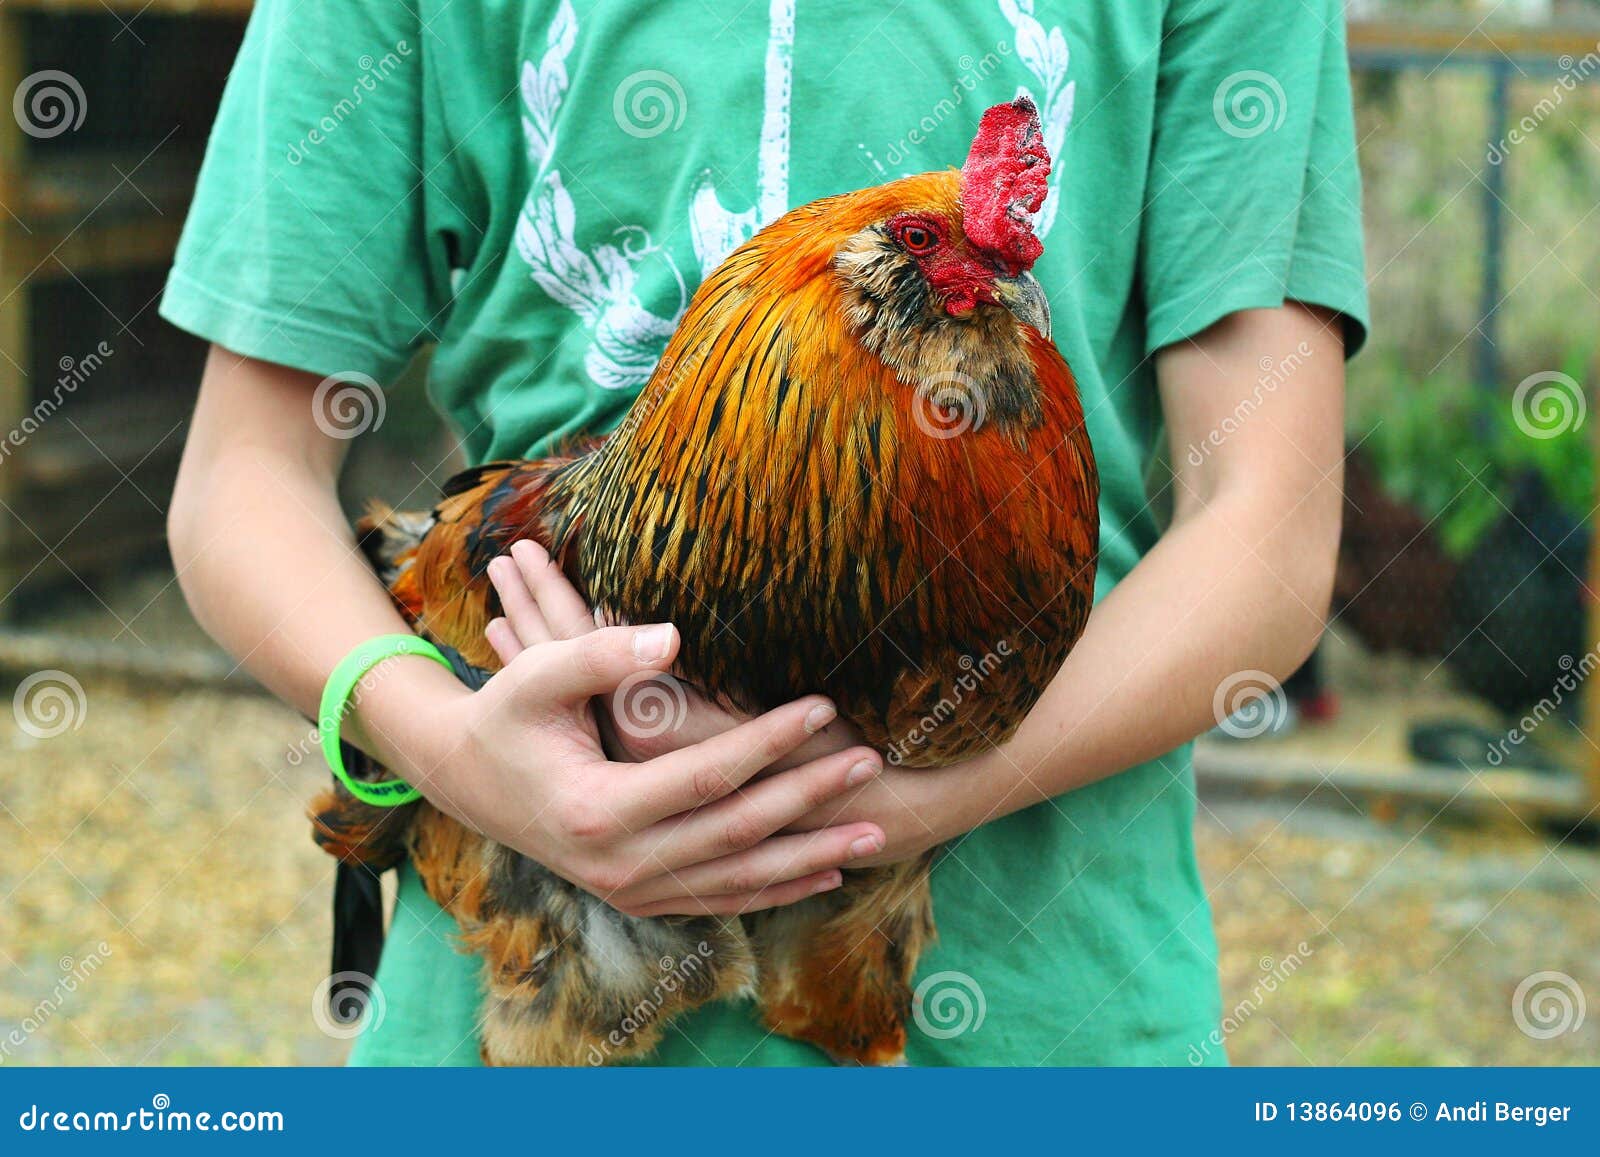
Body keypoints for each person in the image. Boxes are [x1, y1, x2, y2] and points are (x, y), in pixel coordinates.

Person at [162, 0, 1367, 1065]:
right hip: (515, 1003)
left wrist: (913, 790)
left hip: (1042, 1020)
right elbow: (240, 478)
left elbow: (1266, 529)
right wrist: (447, 744)